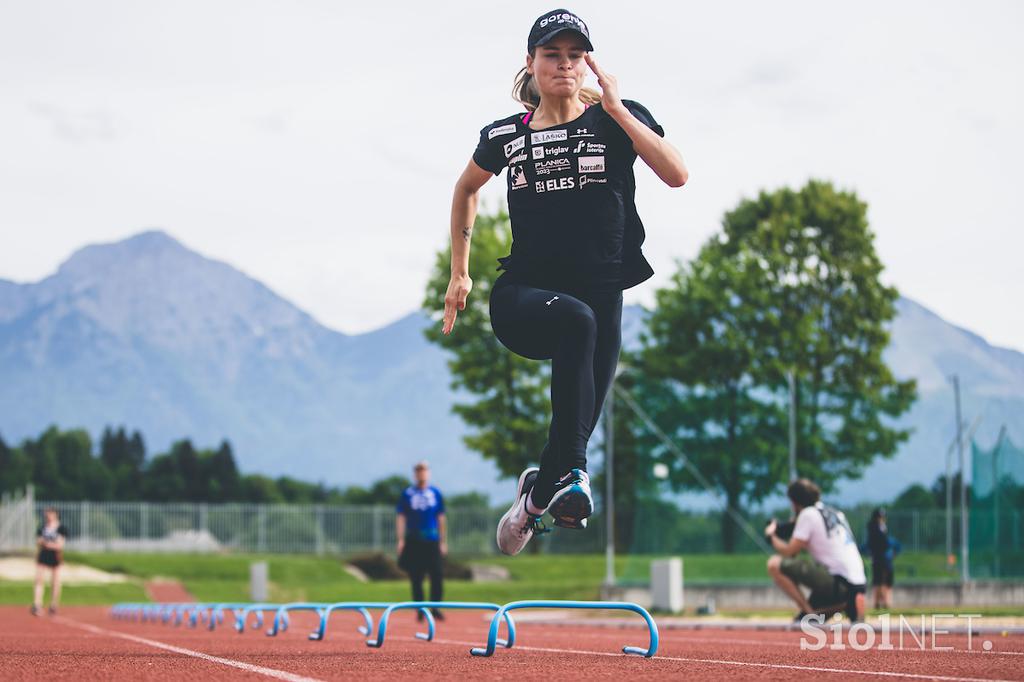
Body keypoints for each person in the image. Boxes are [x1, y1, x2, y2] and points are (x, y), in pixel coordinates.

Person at [440, 8, 687, 556]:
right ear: (530, 64)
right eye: (552, 54)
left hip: (602, 299)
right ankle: (572, 477)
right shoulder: (507, 135)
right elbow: (466, 188)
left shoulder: (618, 121)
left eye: (575, 55)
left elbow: (676, 174)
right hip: (524, 299)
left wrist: (619, 110)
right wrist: (461, 271)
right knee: (575, 326)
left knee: (575, 427)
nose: (565, 65)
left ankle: (533, 498)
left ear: (588, 64)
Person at [765, 479, 867, 622]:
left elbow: (789, 552)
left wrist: (770, 536)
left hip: (838, 583)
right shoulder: (836, 513)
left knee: (774, 564)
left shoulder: (807, 515)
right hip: (858, 584)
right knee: (803, 622)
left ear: (794, 502)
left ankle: (812, 611)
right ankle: (848, 604)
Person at [396, 461, 447, 619]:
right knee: (416, 575)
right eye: (418, 471)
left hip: (432, 539)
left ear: (428, 473)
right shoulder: (408, 494)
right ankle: (420, 609)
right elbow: (401, 517)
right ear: (415, 474)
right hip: (414, 539)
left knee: (436, 574)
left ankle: (435, 607)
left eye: (424, 470)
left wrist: (443, 541)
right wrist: (400, 539)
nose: (421, 474)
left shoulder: (435, 493)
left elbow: (441, 517)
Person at [32, 507, 67, 616]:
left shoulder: (61, 528)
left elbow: (60, 544)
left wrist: (48, 544)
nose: (48, 516)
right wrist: (46, 543)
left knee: (55, 581)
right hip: (43, 555)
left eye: (50, 513)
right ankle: (37, 604)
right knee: (39, 579)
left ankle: (53, 605)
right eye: (47, 514)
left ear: (55, 514)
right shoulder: (42, 527)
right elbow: (38, 540)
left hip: (55, 556)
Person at [863, 507, 900, 609]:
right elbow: (881, 543)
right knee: (880, 581)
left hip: (880, 557)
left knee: (882, 581)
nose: (882, 519)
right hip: (880, 558)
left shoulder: (879, 528)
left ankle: (881, 602)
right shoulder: (876, 528)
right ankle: (882, 602)